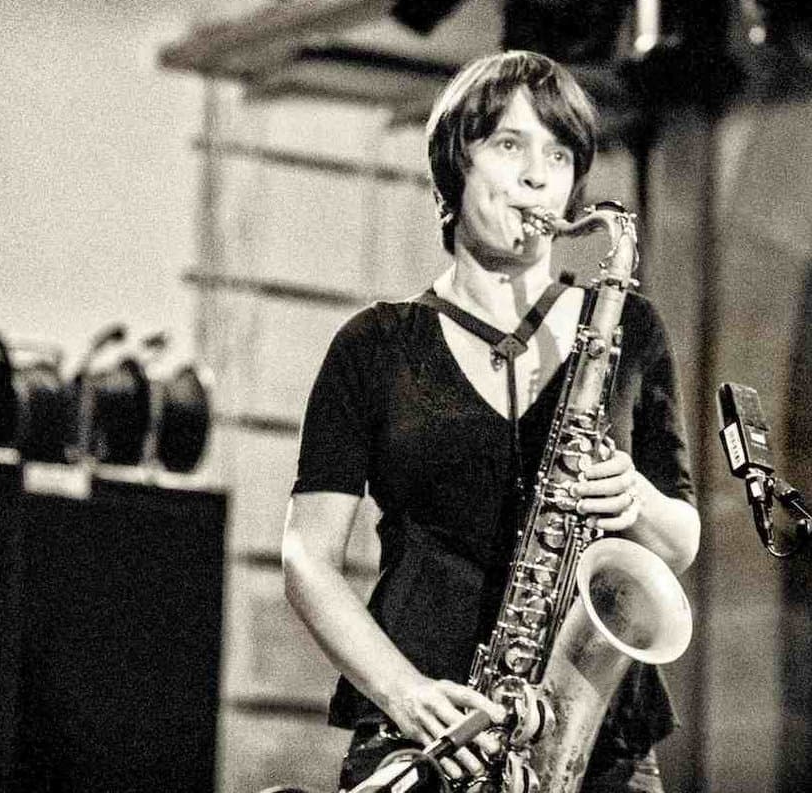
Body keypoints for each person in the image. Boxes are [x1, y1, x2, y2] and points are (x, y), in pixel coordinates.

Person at [282, 50, 700, 793]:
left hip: (603, 741)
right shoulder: (373, 346)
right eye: (510, 145)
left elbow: (683, 539)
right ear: (456, 167)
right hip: (429, 736)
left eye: (561, 153)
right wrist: (406, 694)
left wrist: (632, 497)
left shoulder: (628, 327)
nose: (540, 176)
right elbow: (308, 559)